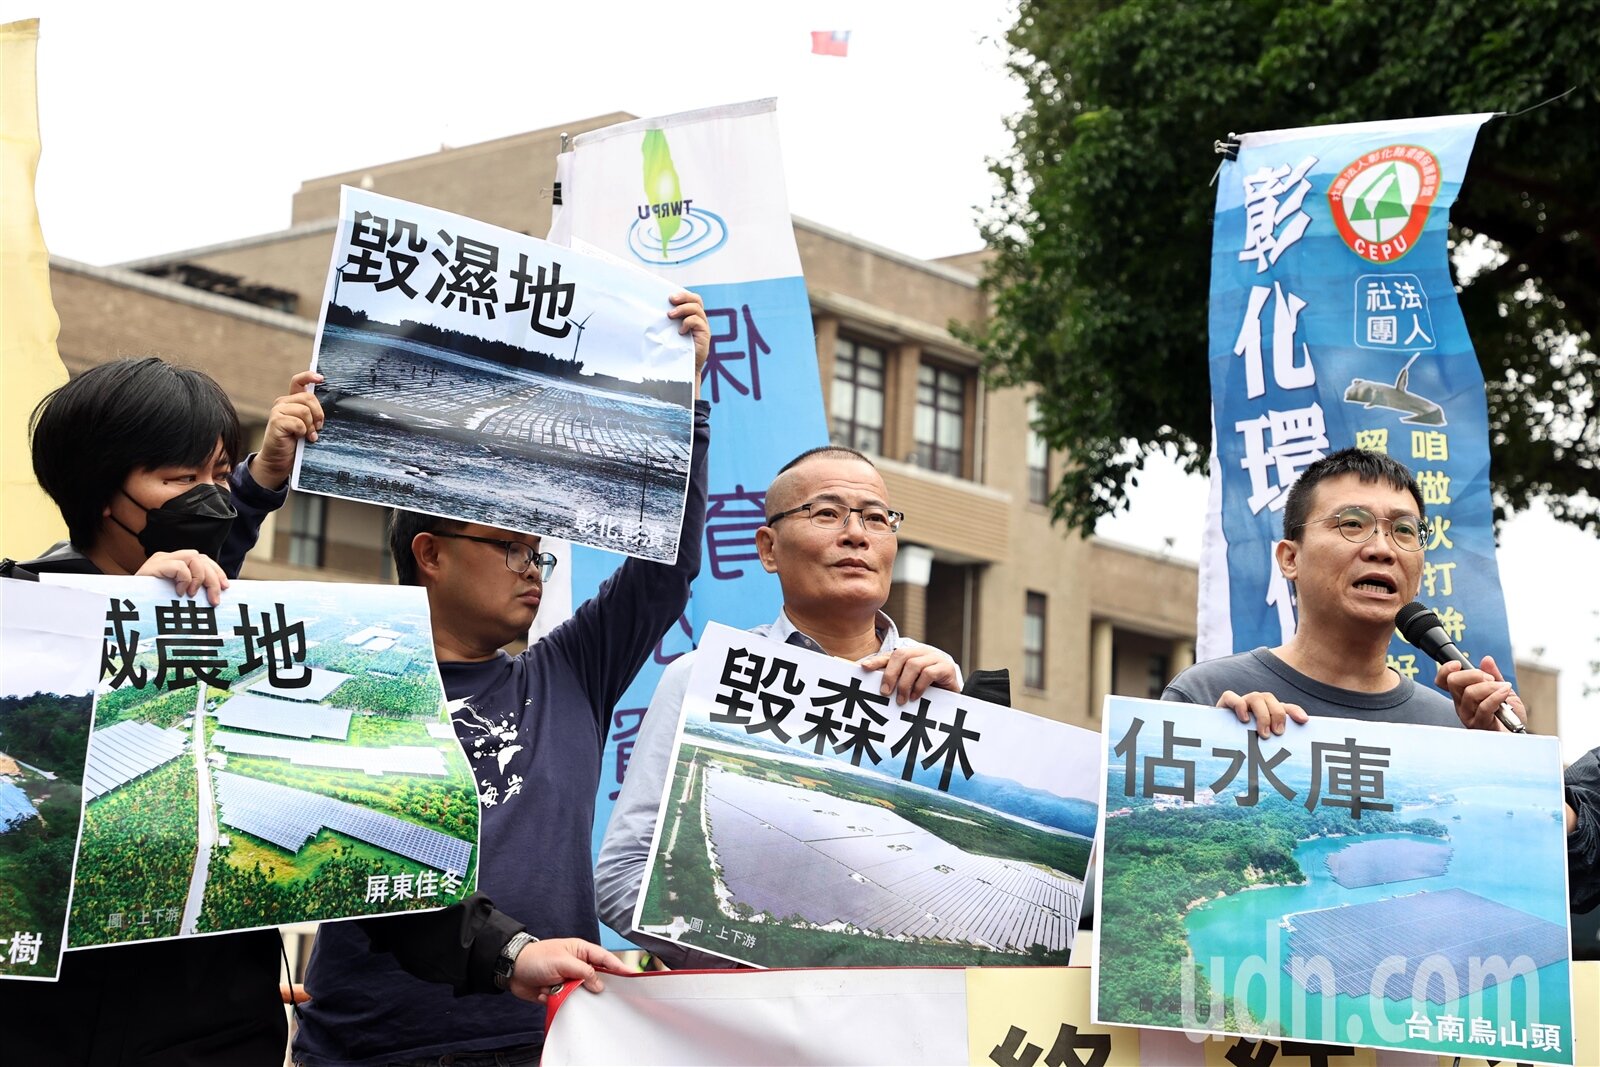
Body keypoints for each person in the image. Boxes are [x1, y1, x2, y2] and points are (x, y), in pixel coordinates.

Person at [292, 291, 711, 1067]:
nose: (535, 571)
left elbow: (665, 572)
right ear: (430, 553)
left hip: (547, 1038)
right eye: (513, 548)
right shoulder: (339, 682)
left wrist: (683, 410)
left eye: (539, 553)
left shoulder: (568, 674)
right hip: (371, 1047)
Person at [0, 356, 321, 1065]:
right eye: (179, 479)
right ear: (102, 493)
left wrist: (498, 949)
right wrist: (117, 618)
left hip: (221, 1030)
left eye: (217, 475)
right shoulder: (15, 618)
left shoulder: (236, 635)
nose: (207, 500)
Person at [596, 444, 964, 968]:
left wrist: (963, 715)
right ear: (768, 549)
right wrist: (767, 957)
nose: (856, 534)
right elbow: (623, 875)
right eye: (827, 513)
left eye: (877, 518)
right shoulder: (703, 680)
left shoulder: (945, 695)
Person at [1163, 447, 1521, 734]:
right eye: (1352, 524)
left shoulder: (1463, 728)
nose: (1382, 549)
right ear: (1290, 558)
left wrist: (1514, 760)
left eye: (1405, 531)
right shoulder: (1208, 697)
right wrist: (1219, 744)